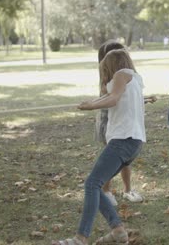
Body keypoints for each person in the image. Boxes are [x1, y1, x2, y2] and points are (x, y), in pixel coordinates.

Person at [53, 49, 146, 245]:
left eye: (105, 69)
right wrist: (94, 101)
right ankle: (118, 231)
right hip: (134, 142)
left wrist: (91, 106)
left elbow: (113, 99)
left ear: (111, 66)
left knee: (92, 184)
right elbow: (115, 97)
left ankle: (81, 238)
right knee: (95, 184)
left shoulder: (121, 74)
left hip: (124, 140)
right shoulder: (135, 79)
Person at [96, 40, 145, 206]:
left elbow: (128, 95)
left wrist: (143, 99)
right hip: (110, 120)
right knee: (110, 158)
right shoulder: (108, 74)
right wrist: (89, 105)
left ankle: (127, 190)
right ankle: (106, 191)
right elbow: (109, 95)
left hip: (126, 124)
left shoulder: (129, 74)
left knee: (125, 160)